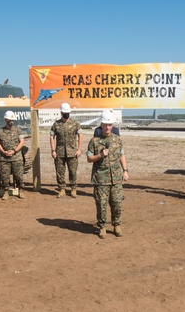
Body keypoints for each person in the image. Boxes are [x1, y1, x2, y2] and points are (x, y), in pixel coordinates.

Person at [87, 110, 129, 238]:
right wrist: (100, 155)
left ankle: (116, 225)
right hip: (101, 179)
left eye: (110, 125)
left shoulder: (118, 140)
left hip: (116, 178)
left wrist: (125, 171)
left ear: (112, 125)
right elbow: (89, 158)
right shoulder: (94, 141)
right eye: (105, 125)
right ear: (101, 125)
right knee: (101, 204)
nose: (107, 127)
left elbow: (122, 155)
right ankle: (102, 227)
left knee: (117, 202)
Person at [49, 102, 81, 198]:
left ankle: (73, 189)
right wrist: (53, 150)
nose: (66, 114)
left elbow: (80, 136)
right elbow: (51, 137)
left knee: (73, 171)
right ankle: (62, 189)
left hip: (72, 152)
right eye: (65, 112)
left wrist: (79, 149)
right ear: (61, 112)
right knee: (60, 172)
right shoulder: (56, 124)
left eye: (68, 112)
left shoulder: (75, 123)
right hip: (60, 153)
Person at [0, 110, 26, 200]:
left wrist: (14, 151)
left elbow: (22, 142)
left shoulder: (18, 130)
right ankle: (6, 192)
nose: (11, 121)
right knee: (5, 177)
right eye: (9, 119)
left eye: (12, 120)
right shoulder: (0, 131)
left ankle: (21, 190)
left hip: (16, 157)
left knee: (19, 176)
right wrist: (3, 152)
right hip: (5, 158)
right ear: (5, 119)